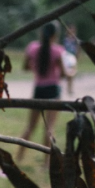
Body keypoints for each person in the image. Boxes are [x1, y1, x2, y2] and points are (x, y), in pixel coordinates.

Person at [17, 22, 67, 163]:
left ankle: (19, 157)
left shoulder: (32, 48)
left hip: (38, 89)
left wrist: (36, 67)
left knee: (30, 127)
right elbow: (63, 73)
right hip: (53, 90)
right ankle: (47, 162)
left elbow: (26, 67)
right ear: (55, 35)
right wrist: (72, 72)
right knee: (49, 128)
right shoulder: (58, 51)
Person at [62, 24, 80, 96]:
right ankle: (68, 88)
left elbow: (77, 48)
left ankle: (70, 89)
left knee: (72, 73)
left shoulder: (75, 40)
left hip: (72, 57)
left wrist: (77, 56)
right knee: (68, 73)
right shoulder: (65, 40)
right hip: (66, 57)